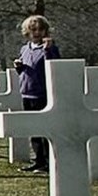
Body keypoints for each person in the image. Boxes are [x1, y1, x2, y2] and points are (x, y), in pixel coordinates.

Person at [16, 14, 62, 174]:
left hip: (43, 94)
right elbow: (25, 70)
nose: (37, 32)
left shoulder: (50, 48)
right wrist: (19, 67)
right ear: (27, 31)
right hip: (27, 93)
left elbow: (55, 66)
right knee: (34, 130)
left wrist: (48, 50)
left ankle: (50, 161)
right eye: (33, 29)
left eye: (40, 29)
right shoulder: (25, 49)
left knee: (45, 130)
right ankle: (38, 160)